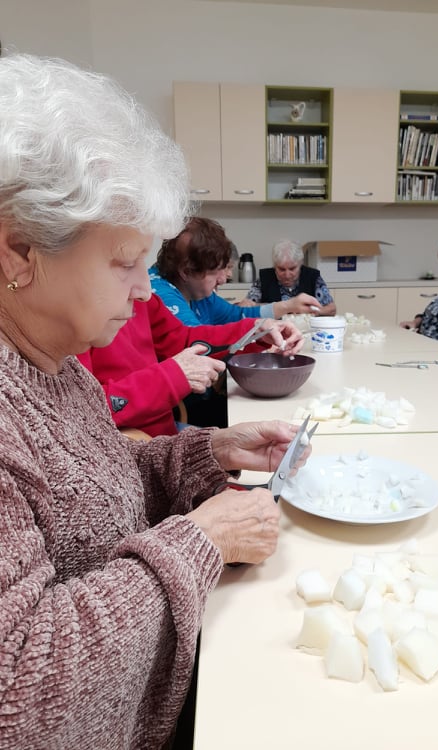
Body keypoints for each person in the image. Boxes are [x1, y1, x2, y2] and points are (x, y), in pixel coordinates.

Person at [0, 53, 310, 750]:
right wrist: (202, 541)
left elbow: (92, 492)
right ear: (19, 251)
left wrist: (210, 449)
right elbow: (18, 688)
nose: (144, 291)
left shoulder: (58, 368)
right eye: (125, 262)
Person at [78, 293, 302, 437]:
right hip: (132, 451)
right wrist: (171, 377)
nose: (146, 287)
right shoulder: (75, 322)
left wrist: (254, 331)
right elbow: (83, 410)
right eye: (126, 264)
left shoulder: (143, 300)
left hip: (165, 437)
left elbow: (181, 339)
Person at [149, 217, 322, 325]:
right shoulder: (160, 296)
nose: (223, 279)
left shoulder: (197, 291)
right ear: (186, 272)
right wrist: (256, 330)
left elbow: (237, 315)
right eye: (216, 272)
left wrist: (288, 306)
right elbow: (197, 342)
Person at [242, 238, 337, 316]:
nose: (287, 275)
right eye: (281, 269)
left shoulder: (312, 276)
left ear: (300, 264)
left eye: (292, 269)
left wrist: (312, 312)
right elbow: (246, 306)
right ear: (274, 266)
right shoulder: (264, 278)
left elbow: (331, 309)